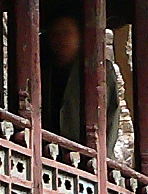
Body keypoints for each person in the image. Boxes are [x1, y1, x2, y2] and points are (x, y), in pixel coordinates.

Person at [44, 11, 120, 153]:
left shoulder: (100, 69)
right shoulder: (42, 68)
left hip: (84, 157)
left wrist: (104, 157)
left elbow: (111, 116)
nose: (61, 39)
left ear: (80, 37)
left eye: (67, 33)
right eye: (56, 34)